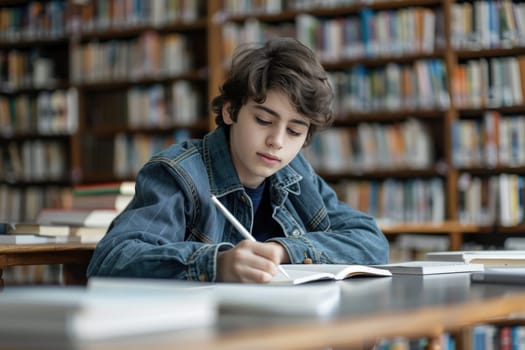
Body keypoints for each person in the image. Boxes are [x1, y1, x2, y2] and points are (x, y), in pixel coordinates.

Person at [86, 37, 389, 283]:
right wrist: (217, 264)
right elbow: (113, 258)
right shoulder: (178, 173)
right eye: (263, 120)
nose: (277, 141)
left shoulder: (295, 174)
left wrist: (283, 250)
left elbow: (371, 242)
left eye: (295, 131)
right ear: (230, 111)